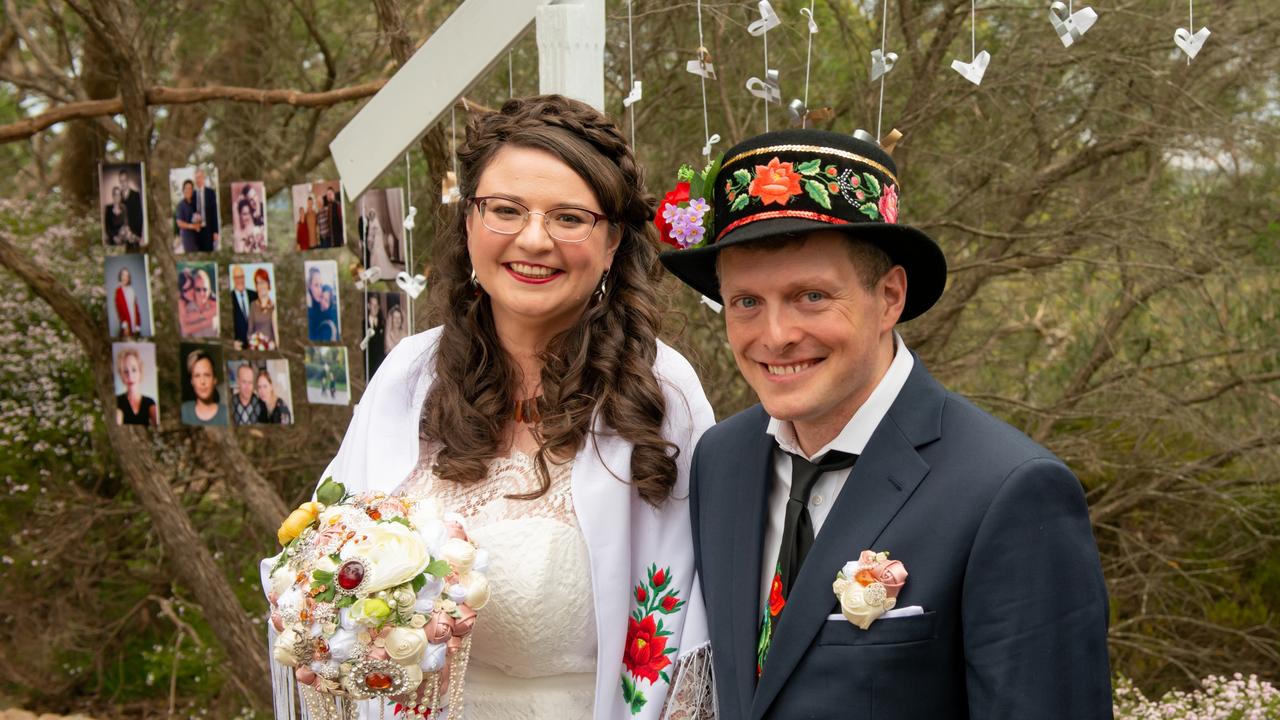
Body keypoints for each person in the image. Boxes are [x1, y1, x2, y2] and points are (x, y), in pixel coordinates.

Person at [261, 95, 716, 719]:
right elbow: (321, 560)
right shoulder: (408, 375)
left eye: (568, 217)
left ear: (612, 242)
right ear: (469, 224)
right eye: (505, 210)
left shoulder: (658, 390)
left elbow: (691, 621)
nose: (534, 239)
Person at [660, 129, 1113, 719]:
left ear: (890, 297)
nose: (774, 336)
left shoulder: (1009, 491)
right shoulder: (721, 459)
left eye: (812, 296)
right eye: (747, 302)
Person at [181, 347, 227, 425]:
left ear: (215, 380)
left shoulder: (226, 413)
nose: (202, 381)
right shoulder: (184, 411)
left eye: (207, 375)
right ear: (192, 381)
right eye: (197, 376)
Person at [114, 347, 158, 427]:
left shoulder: (149, 402)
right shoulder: (117, 401)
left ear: (140, 372)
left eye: (134, 370)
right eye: (125, 371)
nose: (130, 376)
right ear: (121, 375)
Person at [178, 267, 218, 338]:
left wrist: (200, 315)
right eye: (198, 289)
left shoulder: (214, 302)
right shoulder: (182, 304)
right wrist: (207, 322)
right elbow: (184, 330)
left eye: (190, 287)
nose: (189, 292)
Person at [363, 208, 398, 278]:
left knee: (378, 252)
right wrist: (370, 238)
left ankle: (381, 267)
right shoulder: (370, 222)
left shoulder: (376, 221)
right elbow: (370, 232)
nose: (372, 216)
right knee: (373, 253)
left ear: (374, 215)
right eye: (371, 214)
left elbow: (379, 232)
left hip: (377, 240)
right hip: (373, 239)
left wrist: (375, 233)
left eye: (373, 214)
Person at [248, 268, 277, 349]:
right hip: (256, 348)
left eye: (263, 282)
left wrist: (272, 345)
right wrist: (254, 342)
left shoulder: (274, 306)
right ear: (256, 286)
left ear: (268, 284)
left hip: (272, 348)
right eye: (258, 283)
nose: (261, 286)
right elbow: (249, 332)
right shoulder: (253, 305)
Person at [230, 265, 258, 349]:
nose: (240, 280)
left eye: (241, 277)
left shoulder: (254, 295)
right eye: (237, 277)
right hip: (239, 346)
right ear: (233, 279)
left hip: (256, 345)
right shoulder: (230, 297)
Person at [112, 266, 143, 338]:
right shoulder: (118, 291)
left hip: (134, 323)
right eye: (123, 275)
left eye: (127, 276)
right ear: (120, 276)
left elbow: (136, 309)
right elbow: (119, 310)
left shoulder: (131, 290)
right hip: (126, 325)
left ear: (129, 278)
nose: (125, 277)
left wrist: (138, 325)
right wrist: (125, 325)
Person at [193, 168, 219, 252]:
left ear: (203, 178)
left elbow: (214, 212)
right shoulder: (193, 194)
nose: (198, 180)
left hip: (208, 229)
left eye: (199, 177)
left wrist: (215, 231)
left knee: (209, 251)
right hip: (197, 229)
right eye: (196, 178)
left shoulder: (210, 193)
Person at [117, 168, 145, 241]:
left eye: (124, 180)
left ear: (128, 180)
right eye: (121, 181)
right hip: (123, 235)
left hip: (134, 234)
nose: (123, 183)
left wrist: (137, 234)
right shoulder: (118, 197)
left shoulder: (135, 195)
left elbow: (139, 216)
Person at [175, 179, 201, 253]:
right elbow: (179, 223)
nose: (188, 190)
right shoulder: (180, 206)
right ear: (183, 190)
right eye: (186, 188)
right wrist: (193, 226)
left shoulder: (196, 203)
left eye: (190, 188)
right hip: (188, 239)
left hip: (198, 237)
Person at [365, 293, 386, 378]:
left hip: (381, 363)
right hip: (369, 362)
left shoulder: (382, 322)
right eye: (373, 305)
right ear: (368, 306)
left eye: (376, 305)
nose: (375, 308)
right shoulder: (364, 323)